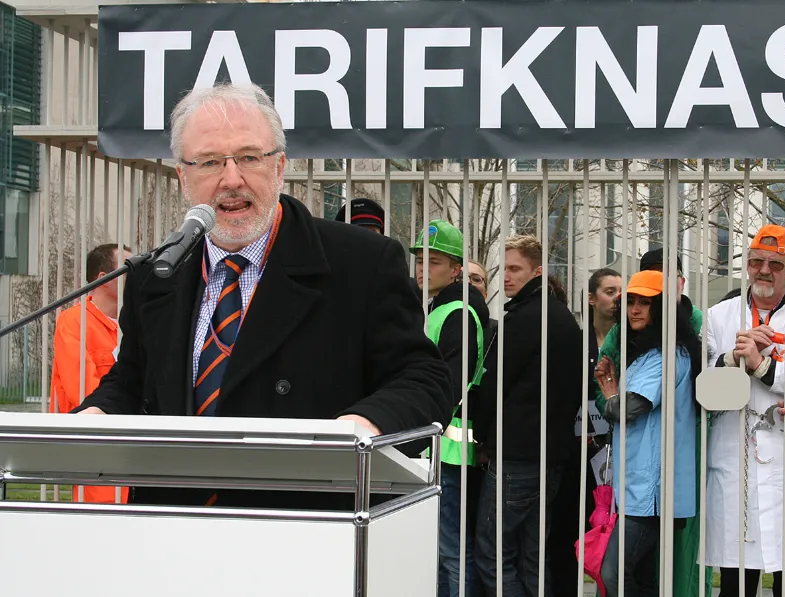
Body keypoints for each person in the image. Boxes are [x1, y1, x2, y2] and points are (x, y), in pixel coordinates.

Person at [72, 82, 452, 511]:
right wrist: (96, 415)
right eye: (210, 162)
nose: (232, 180)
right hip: (174, 527)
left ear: (279, 166)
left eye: (250, 157)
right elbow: (132, 382)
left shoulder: (361, 262)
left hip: (306, 525)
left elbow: (423, 379)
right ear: (182, 176)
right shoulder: (156, 275)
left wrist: (358, 429)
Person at [702, 224, 785, 597]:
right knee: (736, 582)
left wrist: (763, 367)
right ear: (747, 264)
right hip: (736, 460)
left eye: (776, 265)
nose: (764, 271)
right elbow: (703, 387)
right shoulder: (719, 315)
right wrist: (733, 358)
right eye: (757, 262)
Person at [593, 249, 710, 597]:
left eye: (645, 303)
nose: (635, 310)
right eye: (630, 302)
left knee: (612, 572)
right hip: (641, 487)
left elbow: (627, 409)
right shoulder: (650, 351)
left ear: (662, 308)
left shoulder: (666, 354)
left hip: (652, 491)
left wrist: (610, 391)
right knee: (643, 578)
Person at [473, 234, 583, 597]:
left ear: (537, 272)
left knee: (492, 554)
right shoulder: (562, 317)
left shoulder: (525, 318)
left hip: (515, 454)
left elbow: (494, 385)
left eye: (515, 269)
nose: (506, 276)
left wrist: (483, 437)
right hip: (550, 456)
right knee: (532, 555)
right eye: (503, 268)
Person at [410, 219, 491, 597]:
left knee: (452, 549)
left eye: (434, 262)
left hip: (447, 448)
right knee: (441, 550)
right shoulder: (440, 308)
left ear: (456, 269)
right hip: (437, 446)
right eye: (419, 261)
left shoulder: (457, 311)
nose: (423, 269)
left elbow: (450, 386)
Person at [549, 267, 622, 596]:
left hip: (617, 450)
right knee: (568, 530)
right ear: (591, 298)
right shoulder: (575, 343)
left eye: (621, 292)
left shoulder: (630, 344)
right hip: (576, 452)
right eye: (610, 291)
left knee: (613, 536)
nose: (617, 298)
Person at [50, 242, 132, 504]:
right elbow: (84, 391)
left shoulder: (135, 323)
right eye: (128, 270)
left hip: (137, 449)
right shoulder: (74, 322)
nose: (136, 276)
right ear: (104, 279)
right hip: (98, 452)